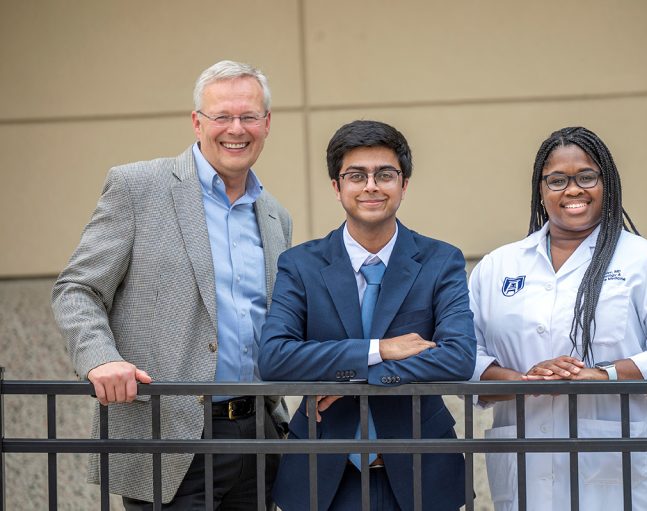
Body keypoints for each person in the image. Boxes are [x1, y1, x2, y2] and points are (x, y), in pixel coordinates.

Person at [51, 60, 291, 509]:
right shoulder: (137, 187)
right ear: (197, 122)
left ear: (267, 124)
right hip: (171, 433)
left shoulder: (276, 215)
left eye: (248, 116)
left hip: (259, 434)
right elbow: (77, 288)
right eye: (222, 116)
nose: (235, 129)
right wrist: (101, 358)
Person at [470, 126, 647, 510]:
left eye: (586, 177)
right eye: (557, 180)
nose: (573, 190)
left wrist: (604, 375)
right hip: (526, 467)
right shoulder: (498, 266)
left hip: (624, 474)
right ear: (540, 188)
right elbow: (464, 353)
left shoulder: (642, 260)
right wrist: (525, 381)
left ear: (607, 184)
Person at [258, 120, 476, 511]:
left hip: (421, 473)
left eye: (385, 174)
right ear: (336, 187)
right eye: (356, 175)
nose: (371, 185)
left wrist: (357, 379)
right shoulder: (300, 265)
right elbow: (275, 357)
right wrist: (382, 349)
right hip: (322, 473)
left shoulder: (441, 261)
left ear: (403, 185)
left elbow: (458, 357)